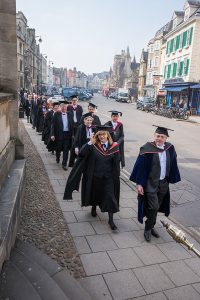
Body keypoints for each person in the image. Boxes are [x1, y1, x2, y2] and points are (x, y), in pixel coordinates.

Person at [63, 125, 120, 230]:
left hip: (108, 178)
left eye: (104, 134)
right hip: (95, 176)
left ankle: (111, 220)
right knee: (96, 194)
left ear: (108, 135)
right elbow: (81, 153)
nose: (102, 136)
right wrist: (90, 143)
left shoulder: (114, 147)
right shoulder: (93, 145)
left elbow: (116, 163)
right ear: (97, 136)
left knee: (110, 197)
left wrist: (116, 176)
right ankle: (94, 207)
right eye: (100, 134)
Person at [130, 125, 181, 242]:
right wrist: (139, 184)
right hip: (150, 183)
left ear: (166, 138)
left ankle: (151, 225)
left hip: (163, 183)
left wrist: (172, 177)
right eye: (158, 136)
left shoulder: (170, 148)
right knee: (153, 207)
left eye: (162, 136)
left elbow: (173, 162)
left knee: (156, 207)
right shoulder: (147, 149)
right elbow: (140, 167)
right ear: (154, 136)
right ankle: (148, 228)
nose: (159, 138)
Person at [51, 100, 73, 170]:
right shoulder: (57, 114)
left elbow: (72, 125)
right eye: (63, 107)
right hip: (59, 134)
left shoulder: (70, 114)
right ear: (60, 107)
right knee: (58, 148)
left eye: (65, 107)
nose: (64, 109)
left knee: (66, 149)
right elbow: (53, 125)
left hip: (67, 134)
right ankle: (58, 156)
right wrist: (52, 134)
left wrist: (73, 134)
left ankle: (64, 164)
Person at [68, 95, 83, 167]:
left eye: (75, 100)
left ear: (77, 101)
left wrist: (80, 124)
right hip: (71, 125)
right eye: (73, 100)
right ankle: (71, 148)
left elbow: (81, 116)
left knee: (77, 138)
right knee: (71, 137)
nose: (74, 101)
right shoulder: (69, 107)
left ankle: (75, 149)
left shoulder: (80, 108)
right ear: (72, 101)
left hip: (77, 125)